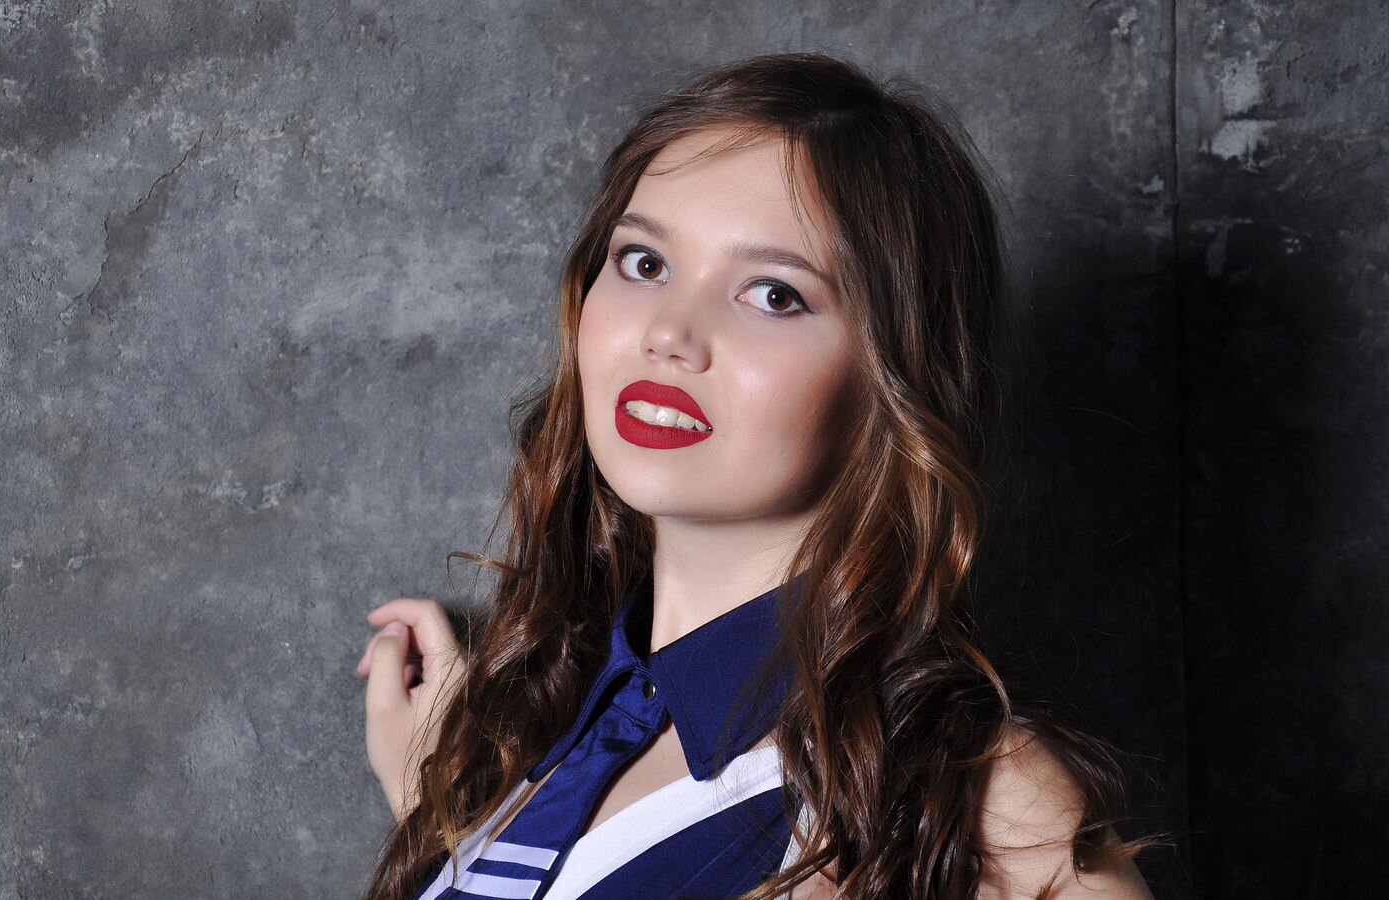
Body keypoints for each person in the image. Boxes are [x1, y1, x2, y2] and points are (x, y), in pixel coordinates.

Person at [354, 53, 1157, 899]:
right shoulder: (530, 744)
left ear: (893, 381)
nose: (670, 332)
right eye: (644, 263)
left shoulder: (979, 802)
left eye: (773, 294)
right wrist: (445, 812)